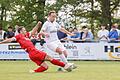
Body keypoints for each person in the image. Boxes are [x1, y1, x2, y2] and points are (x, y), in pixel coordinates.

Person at [0, 22, 74, 73]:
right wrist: (1, 42)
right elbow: (10, 40)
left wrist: (38, 25)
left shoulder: (26, 35)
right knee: (50, 58)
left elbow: (33, 31)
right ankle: (65, 65)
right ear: (20, 31)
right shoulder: (18, 36)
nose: (25, 31)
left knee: (45, 67)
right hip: (33, 52)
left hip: (31, 55)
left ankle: (34, 71)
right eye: (24, 30)